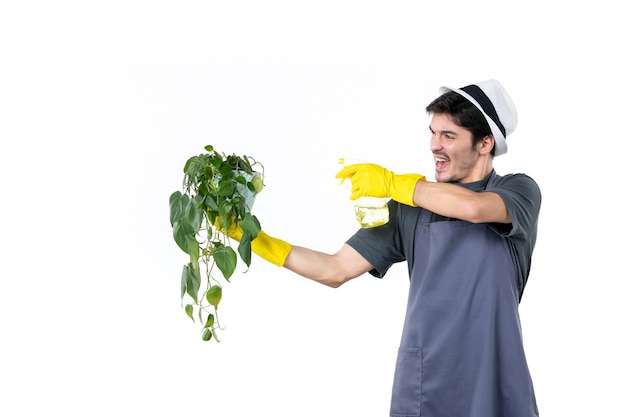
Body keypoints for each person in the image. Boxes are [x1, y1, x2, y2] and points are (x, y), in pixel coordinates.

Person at [226, 79, 541, 417]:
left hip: (493, 376)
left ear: (485, 143)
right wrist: (253, 237)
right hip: (427, 379)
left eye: (449, 136)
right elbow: (335, 269)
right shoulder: (410, 206)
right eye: (433, 132)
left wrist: (395, 182)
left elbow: (475, 209)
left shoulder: (518, 191)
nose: (435, 145)